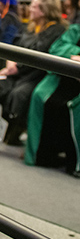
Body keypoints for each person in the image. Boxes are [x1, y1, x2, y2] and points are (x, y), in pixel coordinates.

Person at [0, 0, 66, 148]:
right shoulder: (31, 27)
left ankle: (17, 133)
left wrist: (15, 68)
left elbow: (40, 53)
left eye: (34, 6)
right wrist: (10, 62)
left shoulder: (56, 30)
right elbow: (16, 45)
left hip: (35, 76)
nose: (29, 9)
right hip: (17, 73)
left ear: (44, 11)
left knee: (19, 95)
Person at [25, 24, 80, 176]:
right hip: (65, 78)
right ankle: (40, 156)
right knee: (40, 95)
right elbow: (57, 49)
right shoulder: (77, 29)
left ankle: (75, 164)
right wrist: (76, 54)